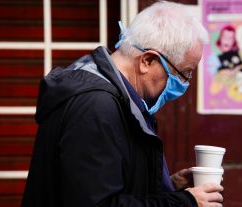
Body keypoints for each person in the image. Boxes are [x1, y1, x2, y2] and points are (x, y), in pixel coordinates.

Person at [21, 1, 224, 207]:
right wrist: (185, 203)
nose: (184, 84)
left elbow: (103, 185)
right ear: (147, 60)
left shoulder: (116, 96)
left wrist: (168, 186)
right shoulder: (96, 106)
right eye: (184, 73)